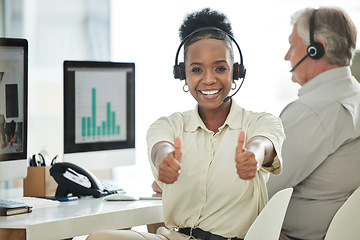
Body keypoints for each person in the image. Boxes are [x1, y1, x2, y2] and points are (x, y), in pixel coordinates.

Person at [87, 8, 285, 240]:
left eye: (220, 68)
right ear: (183, 75)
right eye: (197, 70)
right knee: (101, 237)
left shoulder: (261, 122)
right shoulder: (169, 125)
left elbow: (263, 143)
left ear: (236, 73)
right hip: (176, 237)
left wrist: (254, 155)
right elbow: (160, 146)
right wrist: (165, 159)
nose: (209, 79)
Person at [266, 7, 360, 240]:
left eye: (293, 45)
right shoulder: (354, 97)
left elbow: (255, 189)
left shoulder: (312, 112)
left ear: (315, 49)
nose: (287, 56)